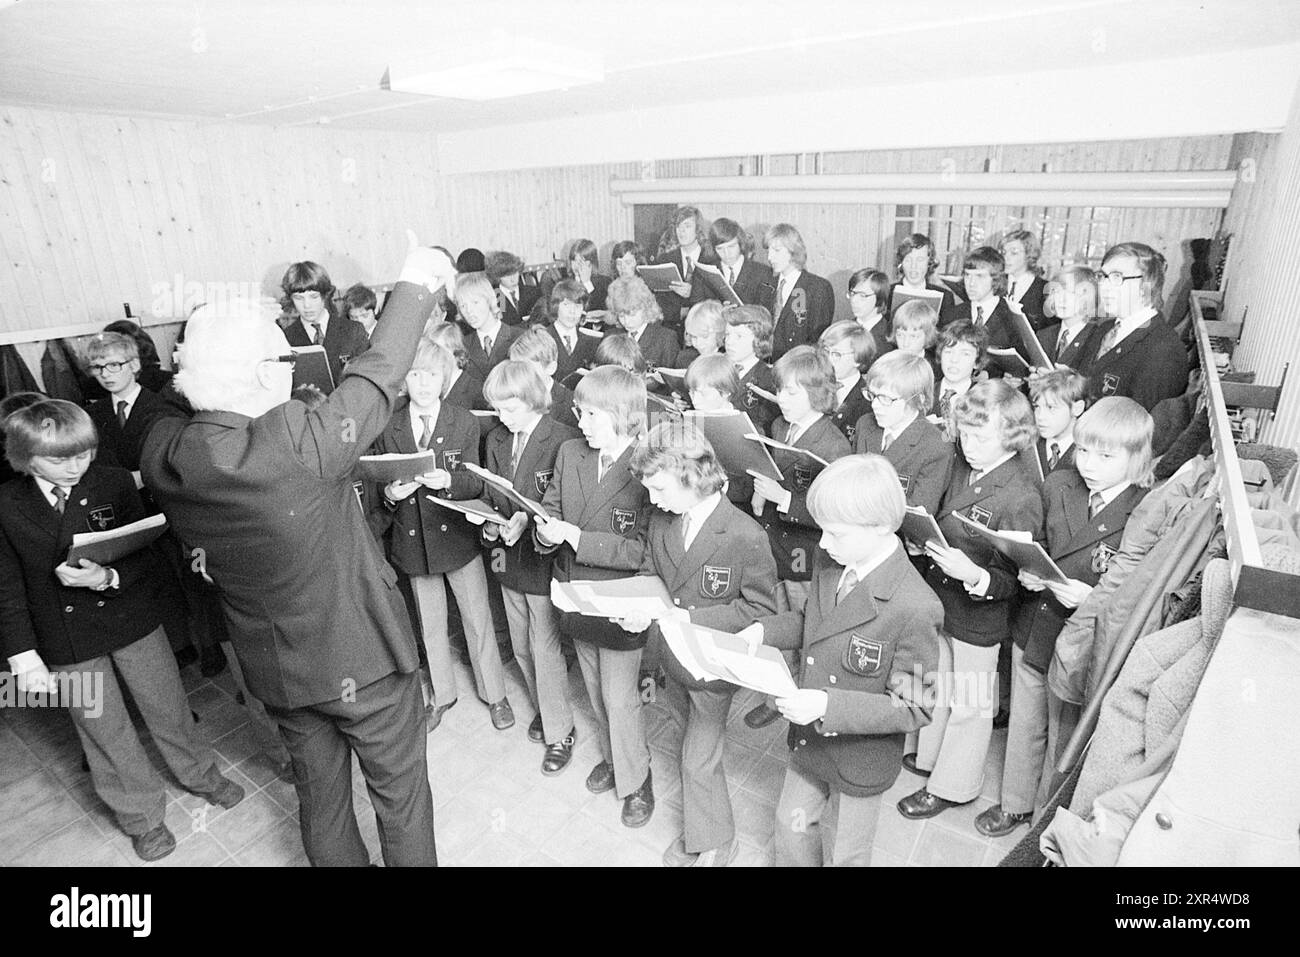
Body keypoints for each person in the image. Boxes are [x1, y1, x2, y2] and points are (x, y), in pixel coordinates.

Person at [140, 239, 451, 867]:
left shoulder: (166, 453)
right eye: (283, 357)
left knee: (323, 803)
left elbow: (191, 405)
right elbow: (378, 374)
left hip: (278, 671)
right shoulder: (296, 442)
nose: (291, 367)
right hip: (362, 661)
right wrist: (416, 281)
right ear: (262, 375)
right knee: (402, 803)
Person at [3, 399, 245, 862]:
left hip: (131, 616)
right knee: (103, 730)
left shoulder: (112, 481)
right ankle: (141, 818)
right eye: (60, 459)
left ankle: (201, 776)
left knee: (168, 706)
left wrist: (107, 578)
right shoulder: (7, 505)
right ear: (25, 455)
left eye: (83, 454)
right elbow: (7, 589)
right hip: (64, 637)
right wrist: (23, 656)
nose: (76, 466)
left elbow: (147, 552)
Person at [737, 455, 944, 866]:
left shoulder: (915, 605)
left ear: (881, 527)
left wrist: (827, 705)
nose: (824, 543)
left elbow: (915, 706)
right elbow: (814, 622)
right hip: (810, 742)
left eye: (836, 533)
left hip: (860, 758)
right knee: (790, 826)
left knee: (846, 852)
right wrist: (764, 631)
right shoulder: (834, 561)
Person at [976, 397, 1152, 838]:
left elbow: (1139, 594)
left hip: (1083, 641)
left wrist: (1091, 598)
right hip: (1035, 621)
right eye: (1084, 450)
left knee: (1063, 736)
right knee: (1025, 719)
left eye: (1106, 456)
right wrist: (1029, 570)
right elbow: (1037, 543)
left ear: (1137, 457)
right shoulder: (1059, 485)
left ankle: (1043, 823)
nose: (1089, 464)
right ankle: (1015, 803)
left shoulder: (1146, 512)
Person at [619, 421, 779, 866]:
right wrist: (641, 609)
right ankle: (709, 830)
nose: (652, 499)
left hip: (714, 667)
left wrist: (688, 617)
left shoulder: (746, 535)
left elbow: (760, 613)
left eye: (659, 487)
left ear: (691, 474)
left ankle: (715, 842)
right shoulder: (663, 519)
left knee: (697, 760)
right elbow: (653, 576)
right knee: (687, 743)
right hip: (673, 659)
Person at [897, 380, 1043, 820]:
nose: (968, 444)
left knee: (972, 704)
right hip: (943, 599)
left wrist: (977, 574)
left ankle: (954, 786)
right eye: (965, 432)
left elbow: (1019, 579)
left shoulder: (1021, 495)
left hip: (980, 613)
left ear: (1013, 436)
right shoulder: (966, 466)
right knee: (940, 687)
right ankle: (929, 760)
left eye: (981, 436)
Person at [369, 339, 513, 733]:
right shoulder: (389, 424)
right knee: (429, 624)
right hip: (413, 540)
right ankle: (443, 695)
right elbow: (381, 481)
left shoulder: (463, 421)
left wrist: (450, 479)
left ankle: (495, 694)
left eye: (431, 374)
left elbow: (477, 482)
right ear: (404, 381)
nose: (423, 383)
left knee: (477, 618)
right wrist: (390, 494)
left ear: (444, 377)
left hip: (457, 540)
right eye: (414, 374)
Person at [535, 365, 656, 828]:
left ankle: (637, 778)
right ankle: (615, 756)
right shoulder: (571, 452)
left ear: (622, 415)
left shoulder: (648, 466)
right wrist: (547, 534)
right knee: (593, 689)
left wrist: (576, 537)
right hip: (574, 592)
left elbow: (644, 548)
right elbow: (552, 509)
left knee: (620, 696)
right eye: (579, 411)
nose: (579, 421)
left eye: (589, 414)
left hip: (621, 600)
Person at [478, 360, 581, 773]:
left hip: (544, 557)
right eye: (497, 409)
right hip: (508, 556)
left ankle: (560, 732)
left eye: (510, 408)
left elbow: (567, 506)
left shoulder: (563, 440)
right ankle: (545, 705)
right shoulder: (498, 439)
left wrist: (531, 520)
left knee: (545, 645)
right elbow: (493, 494)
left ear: (535, 400)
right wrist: (488, 520)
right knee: (520, 642)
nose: (501, 419)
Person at [1078, 241, 1190, 411]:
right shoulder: (1105, 329)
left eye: (1117, 277)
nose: (1104, 286)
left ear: (1146, 285)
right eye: (1102, 276)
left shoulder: (1164, 349)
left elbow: (1140, 429)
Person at [853, 351, 953, 517]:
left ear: (918, 400)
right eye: (872, 395)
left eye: (886, 399)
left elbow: (918, 515)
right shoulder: (865, 424)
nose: (875, 405)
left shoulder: (936, 447)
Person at [81, 332, 175, 474]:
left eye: (113, 365)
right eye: (97, 367)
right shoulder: (90, 414)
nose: (105, 374)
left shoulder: (164, 407)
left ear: (134, 365)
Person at [280, 261, 371, 387]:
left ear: (325, 295)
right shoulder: (285, 338)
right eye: (299, 298)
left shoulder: (353, 331)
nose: (307, 305)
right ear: (290, 299)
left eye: (314, 297)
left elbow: (366, 383)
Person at [760, 223, 835, 360]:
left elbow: (817, 340)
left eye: (776, 250)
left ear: (794, 251)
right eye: (768, 251)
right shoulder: (766, 284)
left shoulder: (818, 288)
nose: (770, 257)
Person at [654, 206, 716, 328]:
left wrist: (693, 293)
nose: (681, 231)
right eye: (678, 226)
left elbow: (716, 300)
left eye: (687, 226)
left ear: (698, 229)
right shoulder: (664, 260)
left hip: (704, 328)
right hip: (671, 329)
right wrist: (679, 313)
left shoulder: (712, 261)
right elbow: (659, 300)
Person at [459, 271, 523, 385]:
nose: (469, 311)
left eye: (475, 302)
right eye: (463, 306)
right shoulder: (462, 346)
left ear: (489, 299)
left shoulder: (520, 338)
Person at [725, 304, 779, 435]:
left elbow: (765, 427)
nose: (729, 341)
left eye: (739, 336)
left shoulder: (768, 379)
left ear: (759, 340)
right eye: (727, 334)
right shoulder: (718, 366)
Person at [1035, 266, 1103, 370]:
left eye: (1071, 293)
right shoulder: (1043, 336)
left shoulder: (1097, 338)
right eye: (1057, 292)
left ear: (1088, 298)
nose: (1062, 299)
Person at [606, 275, 680, 371]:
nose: (627, 321)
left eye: (632, 315)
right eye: (621, 316)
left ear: (646, 308)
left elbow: (671, 382)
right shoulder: (610, 336)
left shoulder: (666, 339)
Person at [819, 320, 875, 443]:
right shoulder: (814, 384)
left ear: (858, 359)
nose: (828, 359)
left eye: (837, 354)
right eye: (826, 351)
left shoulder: (868, 402)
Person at [1029, 368, 1088, 479]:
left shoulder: (1087, 454)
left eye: (1051, 407)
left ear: (1077, 408)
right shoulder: (1029, 446)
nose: (1040, 416)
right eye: (1037, 407)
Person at [541, 278, 602, 383]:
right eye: (566, 305)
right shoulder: (541, 339)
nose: (572, 312)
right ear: (556, 307)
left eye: (578, 306)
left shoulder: (592, 342)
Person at [889, 234, 956, 329]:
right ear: (901, 263)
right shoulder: (887, 293)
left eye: (920, 260)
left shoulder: (945, 297)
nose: (913, 266)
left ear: (930, 262)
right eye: (908, 260)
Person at [932, 319, 988, 425]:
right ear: (940, 354)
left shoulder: (984, 401)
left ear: (977, 361)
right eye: (948, 351)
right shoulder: (923, 395)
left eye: (965, 354)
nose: (954, 360)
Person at [707, 217, 767, 305]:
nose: (726, 253)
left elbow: (764, 314)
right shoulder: (705, 272)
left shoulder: (763, 273)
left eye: (731, 247)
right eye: (720, 249)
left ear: (741, 243)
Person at [1001, 230, 1049, 331]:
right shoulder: (995, 283)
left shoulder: (1045, 290)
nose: (1005, 258)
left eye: (1014, 253)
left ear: (1029, 255)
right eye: (1004, 252)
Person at [846, 267, 893, 360]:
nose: (854, 300)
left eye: (863, 295)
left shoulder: (889, 337)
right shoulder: (845, 328)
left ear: (880, 298)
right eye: (852, 293)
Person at [486, 250, 541, 327]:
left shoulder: (534, 293)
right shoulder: (492, 298)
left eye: (514, 273)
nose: (512, 279)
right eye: (507, 275)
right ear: (497, 277)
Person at [889, 298, 940, 365]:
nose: (905, 344)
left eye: (913, 336)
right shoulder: (886, 363)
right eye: (900, 335)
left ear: (928, 336)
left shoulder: (935, 370)